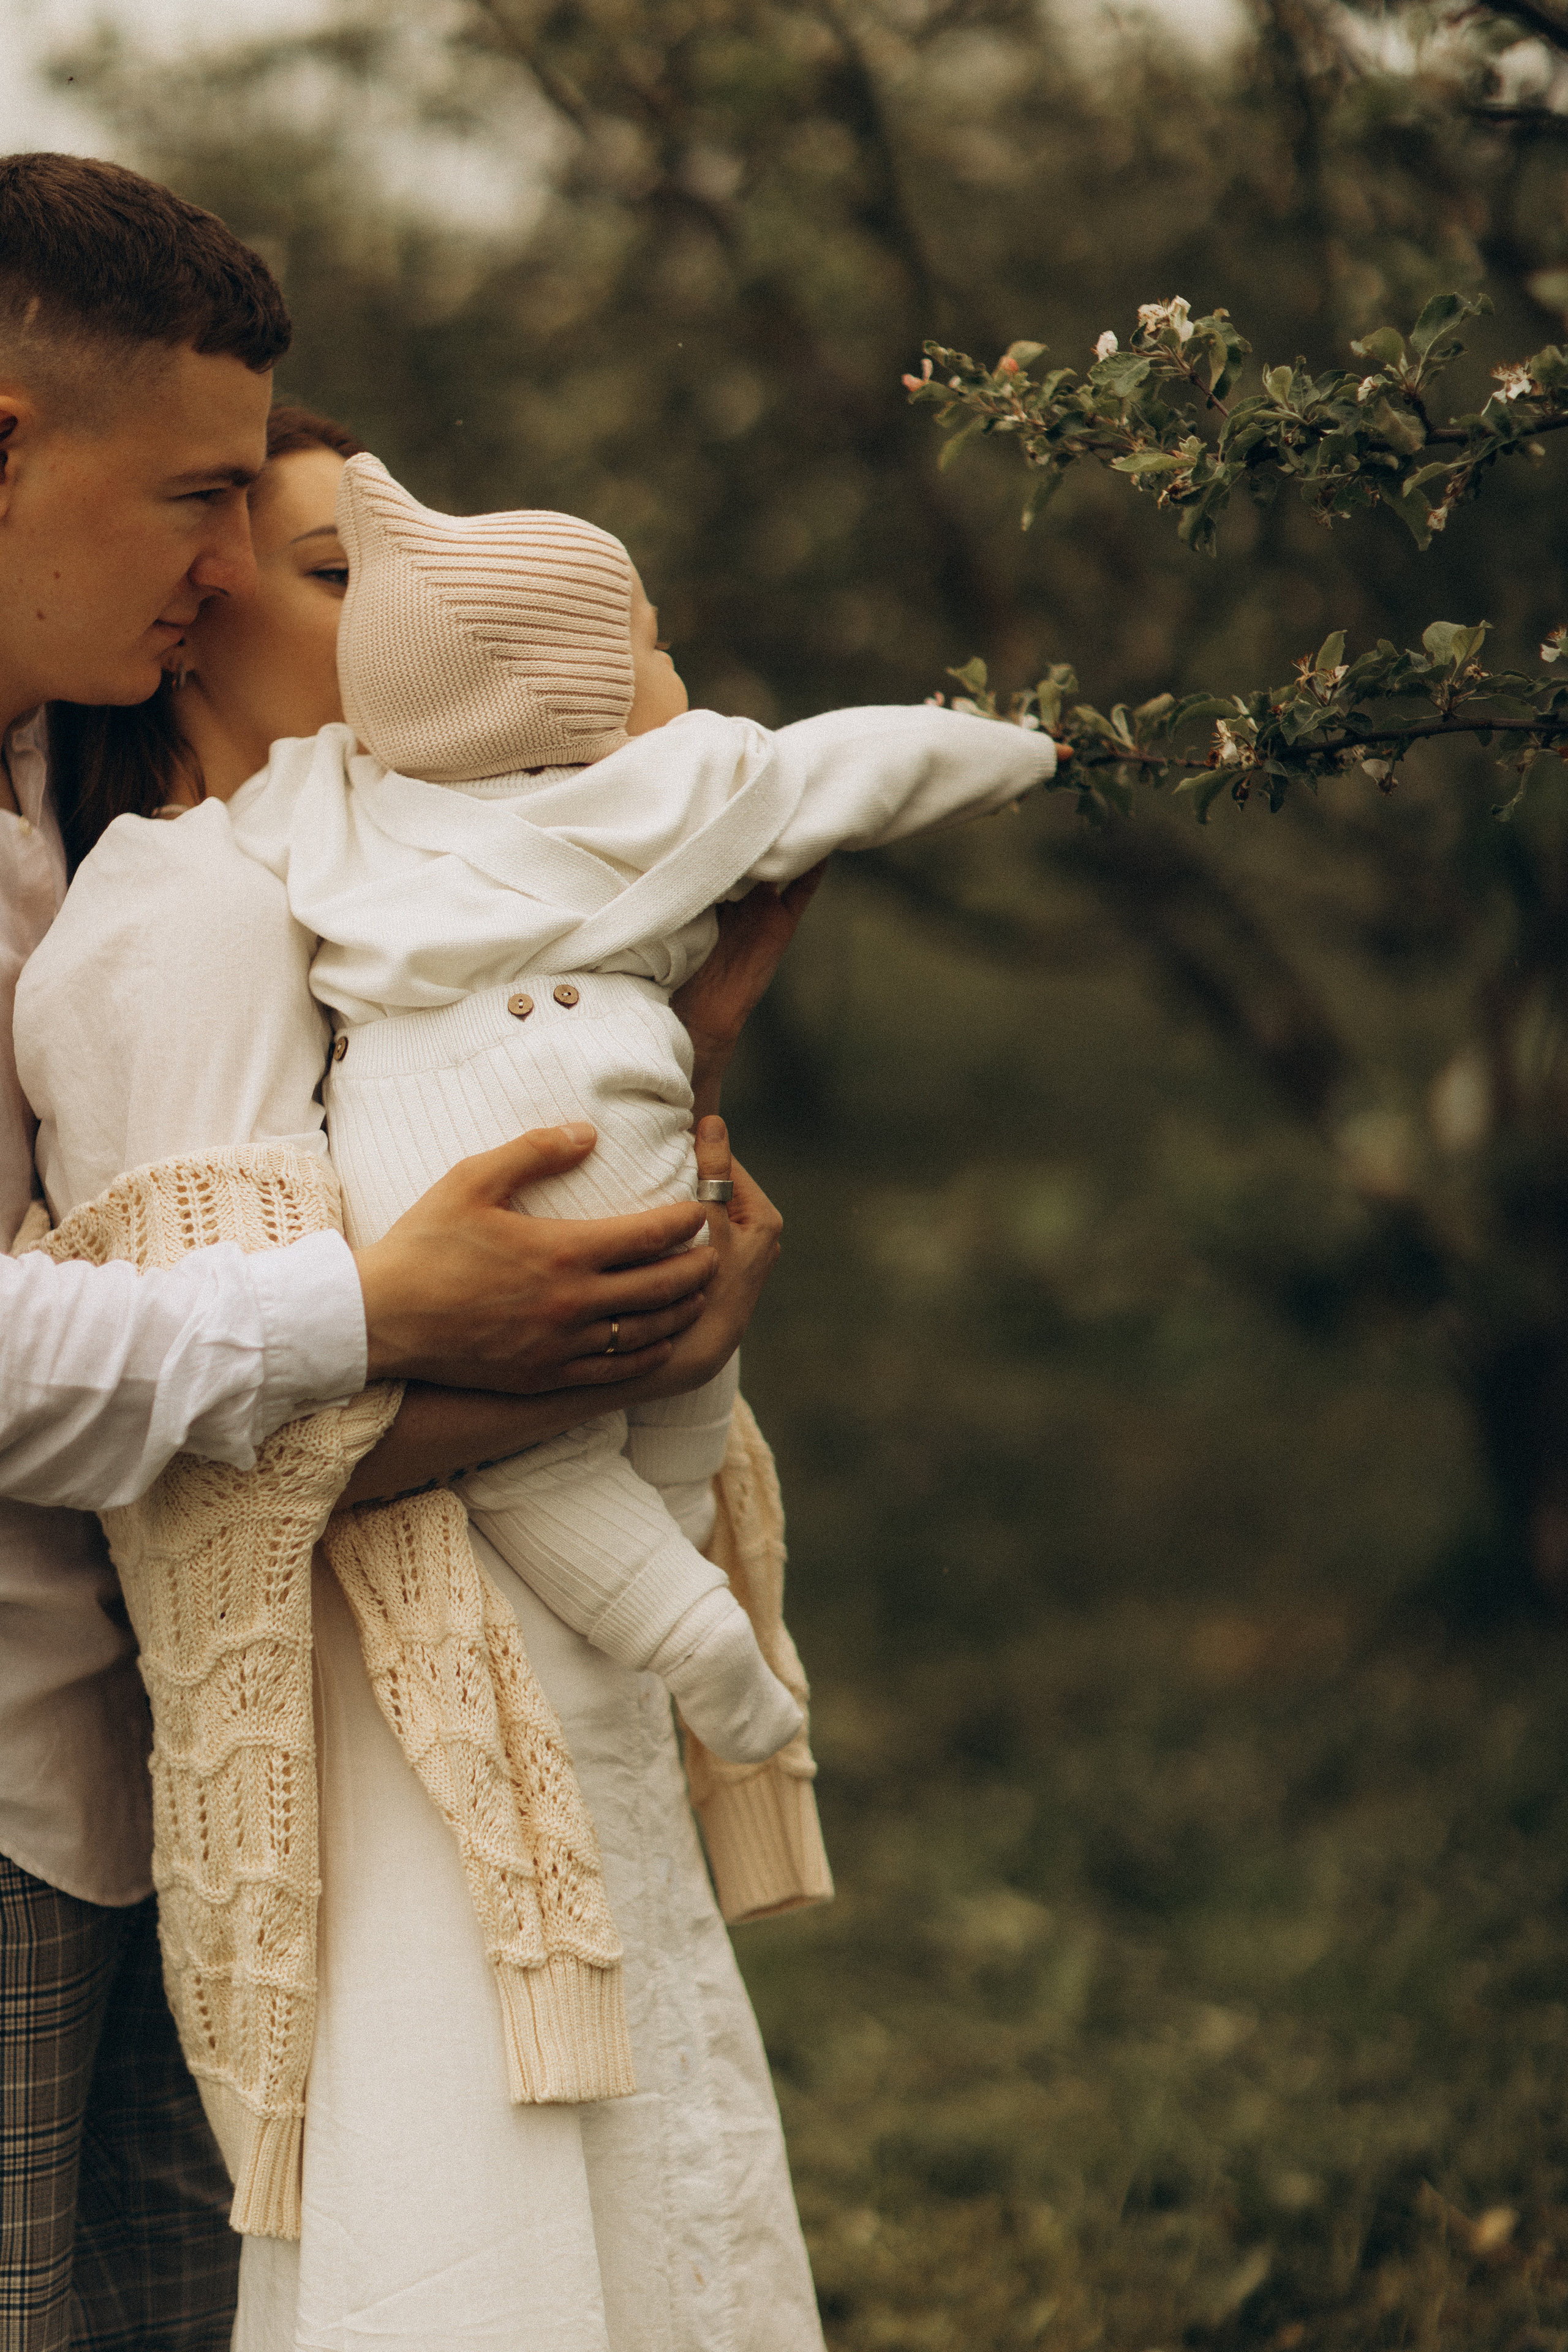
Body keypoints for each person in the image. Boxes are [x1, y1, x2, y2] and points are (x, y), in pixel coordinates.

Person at [0, 153, 785, 2351]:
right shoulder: (154, 893)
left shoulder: (115, 797)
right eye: (209, 504)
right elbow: (190, 1397)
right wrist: (421, 1319)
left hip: (178, 1767)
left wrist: (673, 1157)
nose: (238, 564)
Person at [207, 456, 1054, 1776]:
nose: (674, 678)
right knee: (684, 1335)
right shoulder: (668, 783)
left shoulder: (323, 798)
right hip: (593, 1106)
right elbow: (865, 765)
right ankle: (675, 1539)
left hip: (412, 1154)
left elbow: (227, 836)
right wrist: (1029, 752)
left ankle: (680, 1627)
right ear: (578, 690)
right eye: (650, 649)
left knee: (527, 1475)